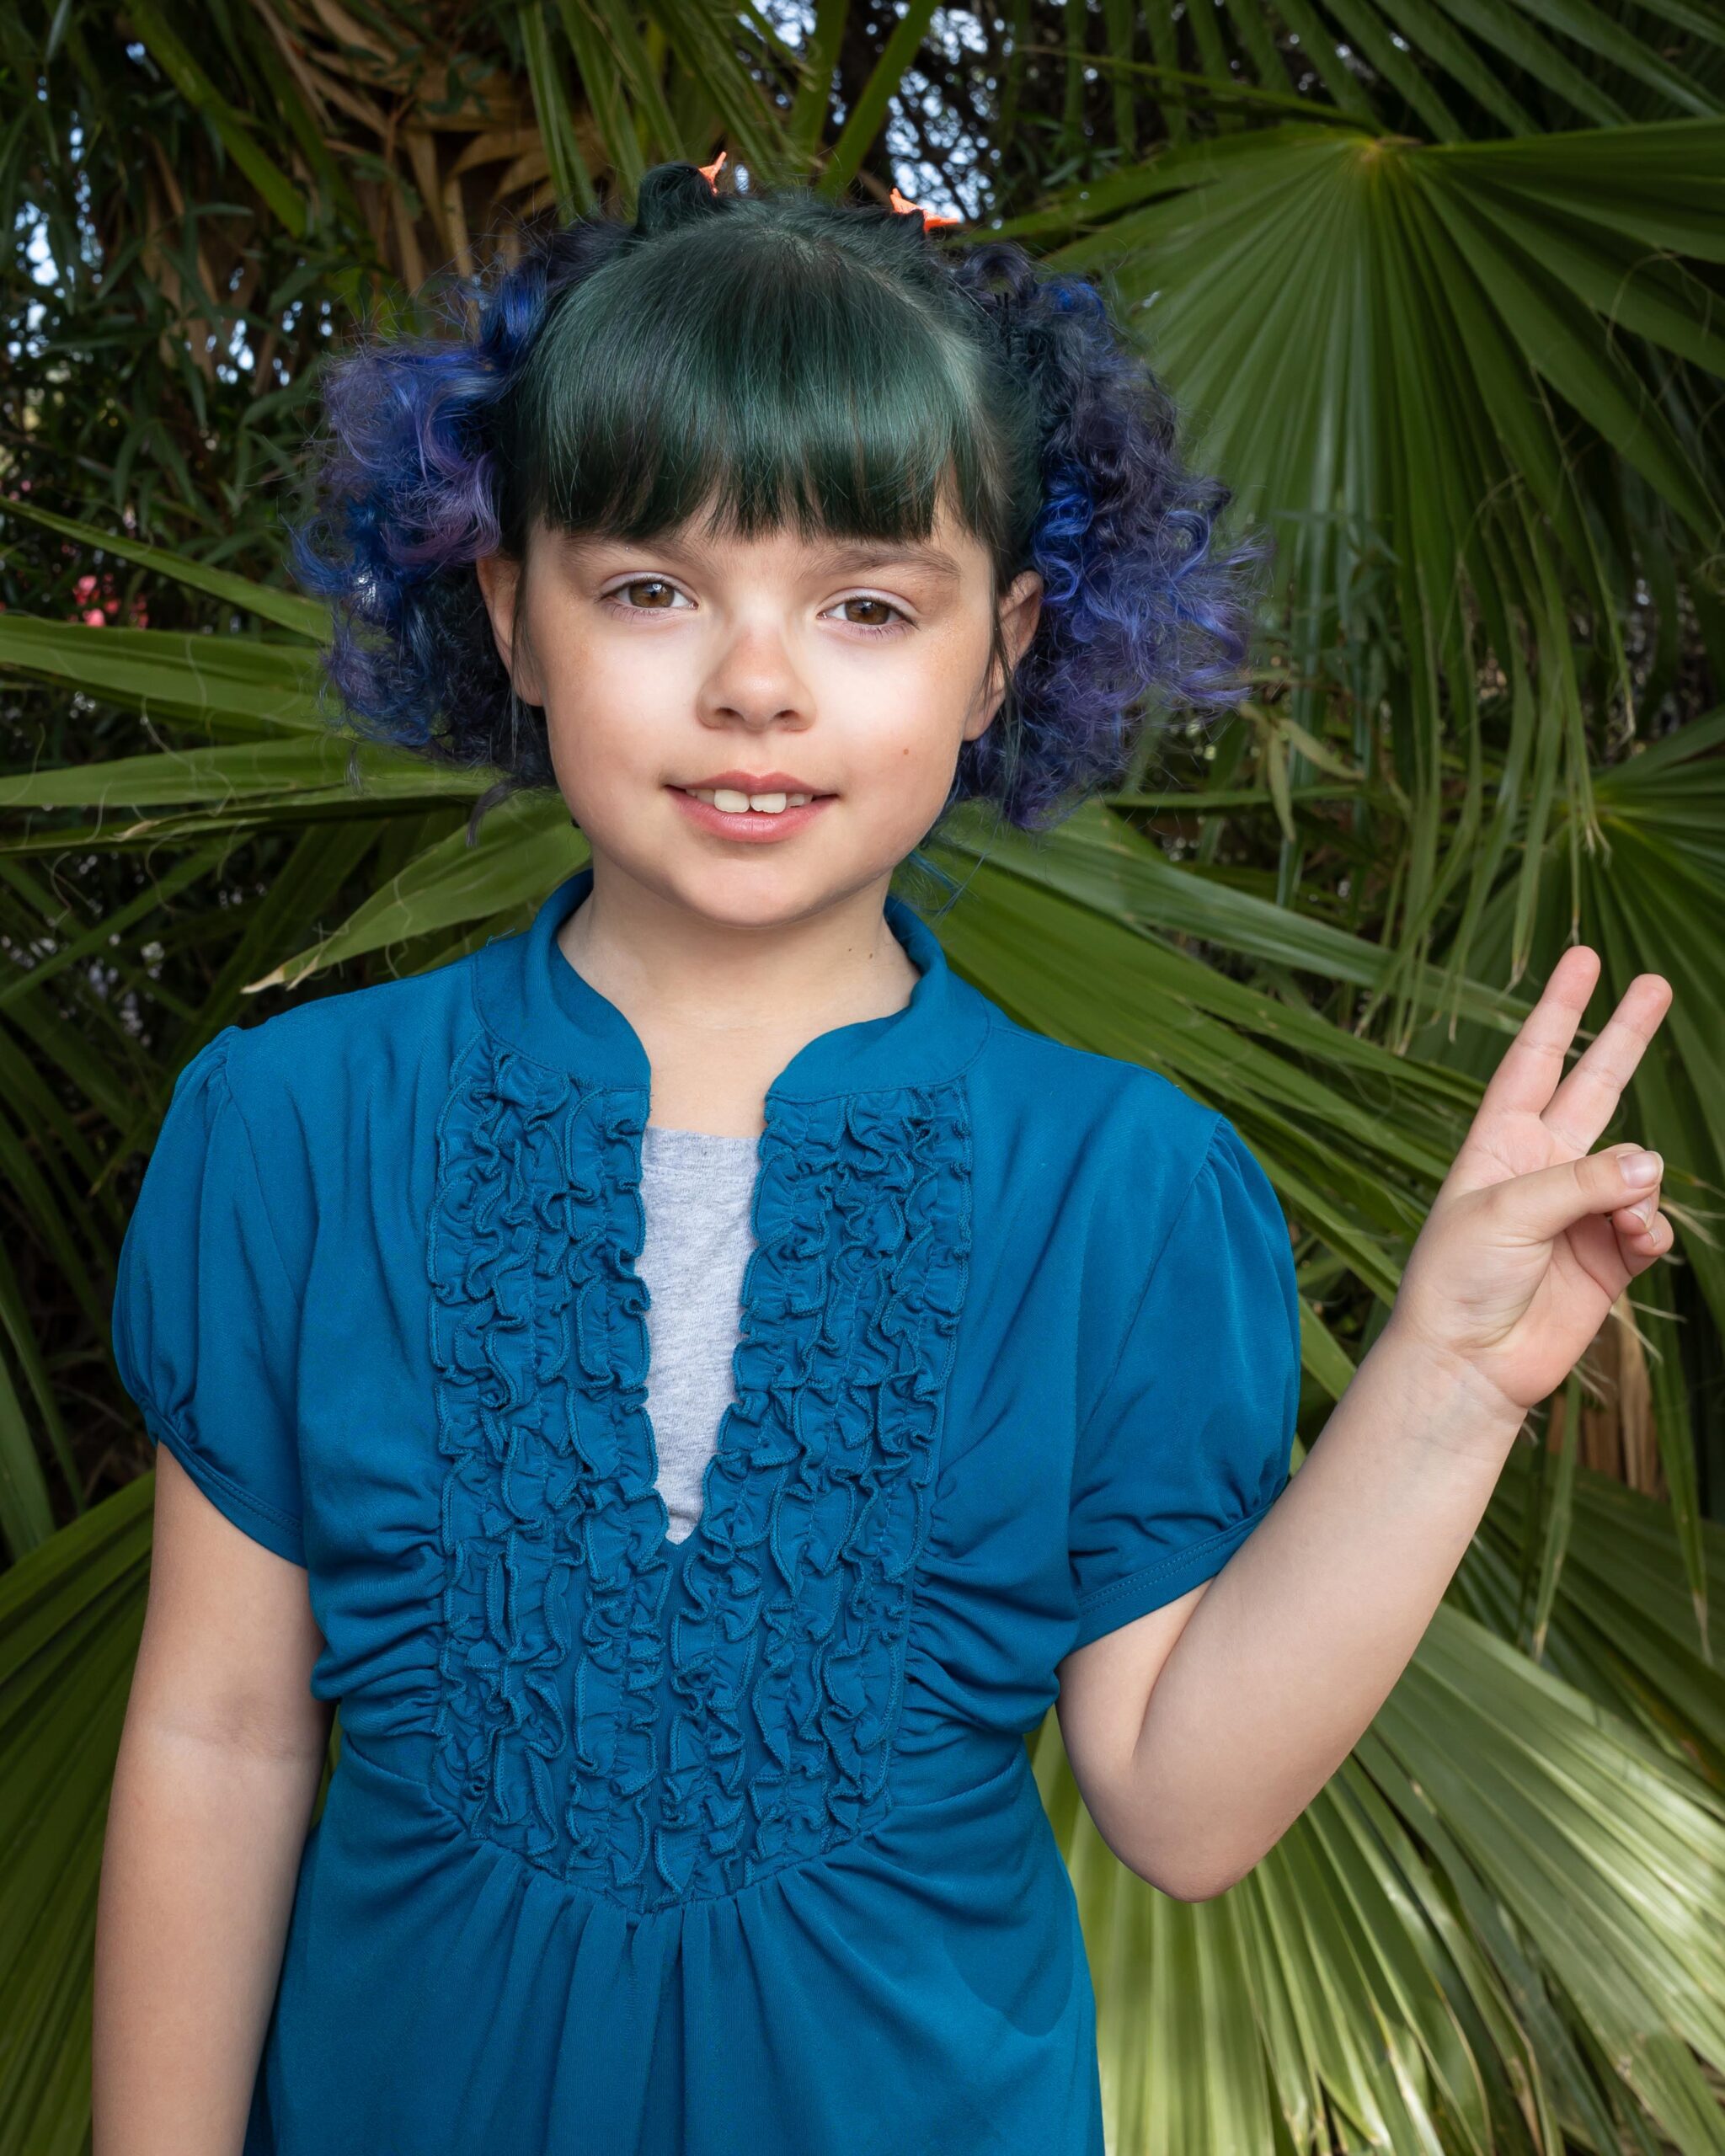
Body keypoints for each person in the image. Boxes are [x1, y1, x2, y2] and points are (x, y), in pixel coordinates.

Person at [91, 160, 1674, 2156]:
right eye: (653, 588)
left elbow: (1181, 1810)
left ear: (1005, 648)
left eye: (862, 603)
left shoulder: (1124, 1190)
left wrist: (1447, 1387)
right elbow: (217, 1734)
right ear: (509, 613)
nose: (757, 681)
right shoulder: (295, 1132)